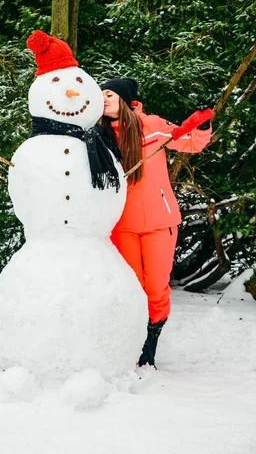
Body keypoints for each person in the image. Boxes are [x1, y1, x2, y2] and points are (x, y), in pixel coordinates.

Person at [100, 78, 212, 368]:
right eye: (100, 95)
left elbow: (188, 142)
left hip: (159, 223)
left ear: (124, 98)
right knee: (132, 288)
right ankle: (132, 344)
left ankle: (149, 347)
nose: (103, 99)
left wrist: (200, 126)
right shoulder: (97, 136)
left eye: (109, 94)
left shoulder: (150, 125)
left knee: (156, 288)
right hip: (121, 225)